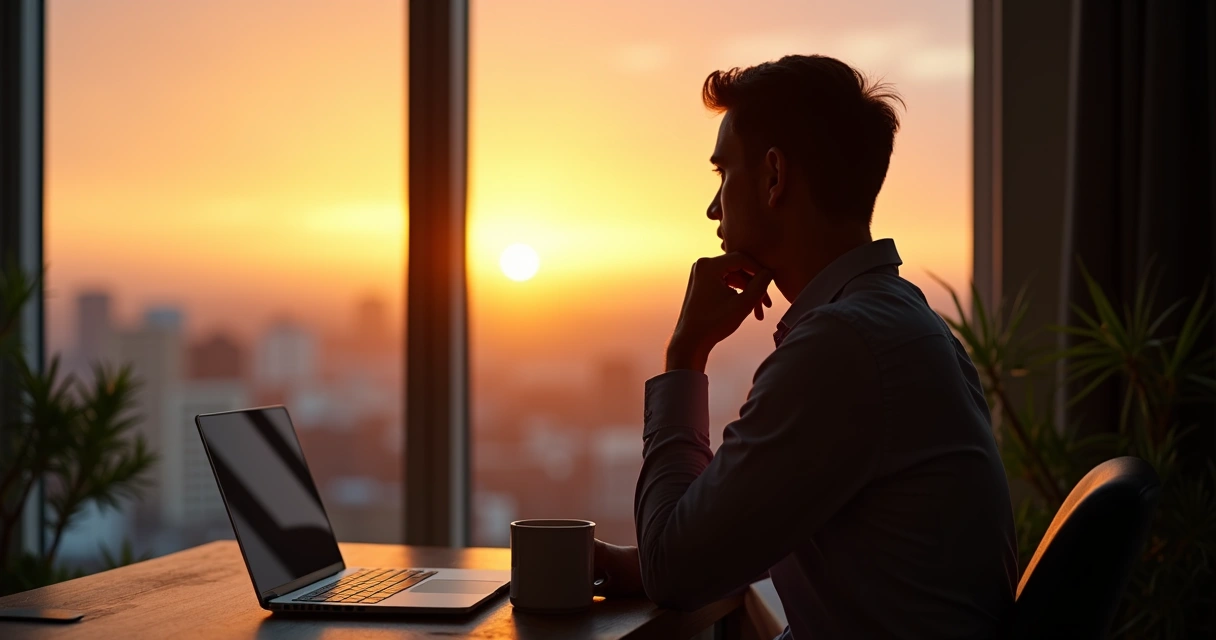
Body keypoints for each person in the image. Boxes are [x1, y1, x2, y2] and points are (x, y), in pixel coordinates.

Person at [593, 55, 1019, 639]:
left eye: (723, 174)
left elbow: (675, 571)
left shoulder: (842, 348)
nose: (713, 208)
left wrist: (685, 354)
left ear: (774, 177)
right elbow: (748, 523)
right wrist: (644, 561)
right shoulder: (900, 320)